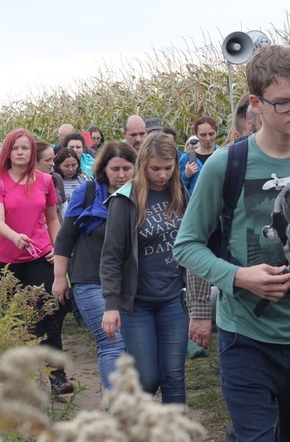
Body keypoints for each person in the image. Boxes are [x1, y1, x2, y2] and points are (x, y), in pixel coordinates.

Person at [173, 45, 290, 441]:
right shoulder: (226, 165)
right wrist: (239, 277)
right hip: (246, 337)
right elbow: (186, 245)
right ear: (256, 103)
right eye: (284, 102)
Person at [101, 133, 190, 404]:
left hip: (174, 299)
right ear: (143, 165)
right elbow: (112, 256)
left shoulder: (180, 193)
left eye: (168, 167)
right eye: (155, 169)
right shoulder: (124, 200)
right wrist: (111, 304)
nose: (162, 175)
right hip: (137, 303)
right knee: (148, 378)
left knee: (174, 376)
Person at [0, 128, 72, 395]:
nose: (21, 153)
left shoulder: (46, 181)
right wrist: (15, 237)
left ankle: (57, 377)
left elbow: (53, 219)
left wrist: (57, 248)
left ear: (32, 152)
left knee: (47, 314)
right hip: (5, 258)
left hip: (39, 256)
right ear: (8, 152)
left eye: (25, 148)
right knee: (10, 318)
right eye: (16, 148)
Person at [53, 141, 135, 390]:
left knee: (131, 344)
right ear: (104, 169)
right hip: (90, 279)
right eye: (115, 169)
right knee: (112, 341)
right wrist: (59, 278)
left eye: (126, 168)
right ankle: (116, 405)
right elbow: (65, 237)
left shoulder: (142, 195)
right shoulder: (88, 193)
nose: (121, 175)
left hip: (130, 282)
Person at [179, 116, 219, 194]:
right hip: (197, 204)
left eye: (211, 134)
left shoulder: (224, 154)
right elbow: (177, 187)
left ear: (216, 132)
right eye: (203, 135)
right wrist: (186, 175)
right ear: (196, 134)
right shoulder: (187, 158)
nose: (208, 139)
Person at [36, 141, 66, 223]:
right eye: (47, 160)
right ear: (34, 161)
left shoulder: (56, 178)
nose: (52, 164)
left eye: (52, 159)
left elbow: (64, 208)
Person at [53, 148, 88, 218]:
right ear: (58, 166)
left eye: (74, 165)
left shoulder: (82, 179)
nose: (71, 169)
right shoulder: (55, 180)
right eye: (66, 166)